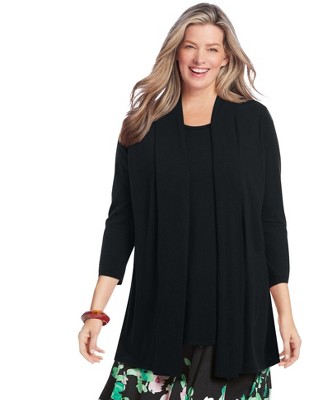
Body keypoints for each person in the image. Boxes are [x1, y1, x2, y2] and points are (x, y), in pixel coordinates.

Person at [78, 3, 301, 399]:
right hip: (158, 316)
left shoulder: (254, 122)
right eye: (190, 46)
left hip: (236, 319)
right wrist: (96, 311)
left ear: (226, 57)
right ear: (175, 51)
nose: (201, 59)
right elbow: (122, 222)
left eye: (212, 49)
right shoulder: (142, 126)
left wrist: (285, 315)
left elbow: (270, 220)